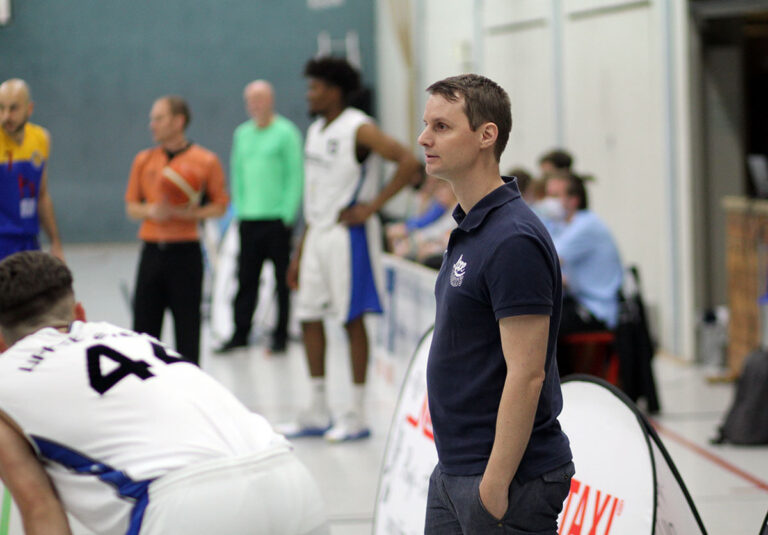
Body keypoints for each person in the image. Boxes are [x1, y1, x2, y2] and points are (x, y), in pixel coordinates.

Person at [0, 251, 328, 535]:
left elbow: (41, 510)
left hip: (191, 505)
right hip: (289, 477)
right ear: (80, 315)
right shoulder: (131, 338)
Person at [419, 74, 573, 534]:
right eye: (426, 125)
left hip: (506, 480)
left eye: (442, 127)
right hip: (456, 469)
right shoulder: (471, 227)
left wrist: (493, 487)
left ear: (487, 135)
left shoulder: (513, 240)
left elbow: (527, 375)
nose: (424, 138)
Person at [280, 57, 421, 443]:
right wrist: (299, 253)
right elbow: (314, 196)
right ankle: (317, 408)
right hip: (317, 235)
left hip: (348, 235)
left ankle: (356, 412)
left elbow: (409, 161)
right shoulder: (314, 131)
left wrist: (372, 207)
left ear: (335, 90)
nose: (309, 94)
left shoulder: (358, 127)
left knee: (350, 319)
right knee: (308, 316)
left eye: (316, 87)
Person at [125, 96, 228, 365]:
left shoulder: (205, 161)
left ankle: (189, 392)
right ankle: (145, 389)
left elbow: (219, 206)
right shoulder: (144, 160)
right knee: (143, 333)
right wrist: (151, 211)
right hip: (151, 253)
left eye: (158, 118)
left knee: (188, 331)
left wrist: (188, 213)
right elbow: (132, 207)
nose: (152, 125)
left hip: (186, 254)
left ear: (178, 121)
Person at [216, 80, 303, 354]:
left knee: (281, 280)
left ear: (271, 101)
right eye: (251, 101)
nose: (255, 105)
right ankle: (240, 332)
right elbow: (237, 174)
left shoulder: (286, 132)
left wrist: (287, 213)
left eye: (260, 99)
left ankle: (280, 335)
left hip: (277, 219)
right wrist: (240, 210)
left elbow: (295, 175)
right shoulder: (242, 134)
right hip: (249, 219)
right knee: (246, 279)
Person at [545, 172, 623, 336]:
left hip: (595, 309)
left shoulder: (585, 226)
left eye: (555, 196)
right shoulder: (564, 226)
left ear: (574, 200)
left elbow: (546, 260)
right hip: (580, 301)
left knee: (539, 324)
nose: (548, 202)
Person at [0, 79, 63, 261]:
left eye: (13, 108)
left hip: (29, 242)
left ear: (29, 109)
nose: (6, 116)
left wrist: (56, 243)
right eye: (1, 108)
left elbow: (41, 195)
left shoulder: (41, 138)